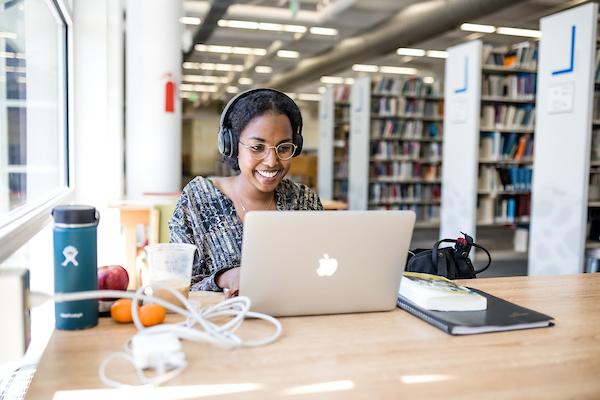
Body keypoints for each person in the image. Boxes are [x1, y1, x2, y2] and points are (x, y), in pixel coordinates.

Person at [169, 88, 323, 296]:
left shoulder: (305, 201)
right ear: (231, 146)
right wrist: (223, 277)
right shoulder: (197, 201)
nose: (271, 161)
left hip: (296, 319)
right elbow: (175, 284)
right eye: (257, 147)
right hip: (220, 324)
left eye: (284, 148)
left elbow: (322, 270)